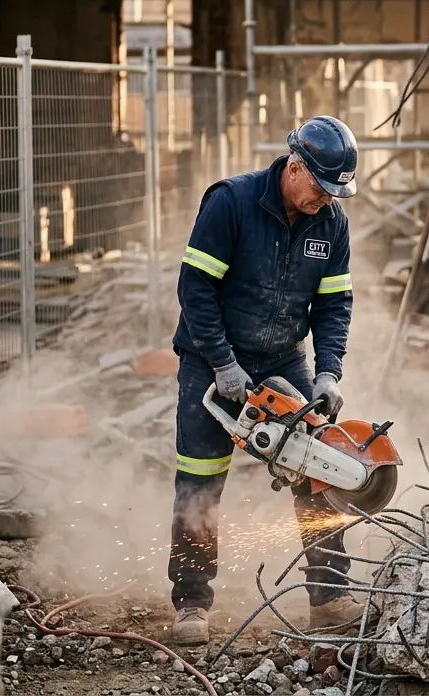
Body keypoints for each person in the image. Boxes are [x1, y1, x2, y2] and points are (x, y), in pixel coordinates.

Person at [169, 116, 364, 645]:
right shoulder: (231, 202)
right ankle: (191, 602)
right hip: (212, 362)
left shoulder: (331, 222)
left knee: (320, 464)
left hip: (283, 359)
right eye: (321, 189)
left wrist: (327, 372)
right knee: (200, 478)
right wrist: (222, 362)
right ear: (295, 167)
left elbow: (333, 303)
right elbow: (197, 291)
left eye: (335, 193)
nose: (326, 200)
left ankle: (329, 593)